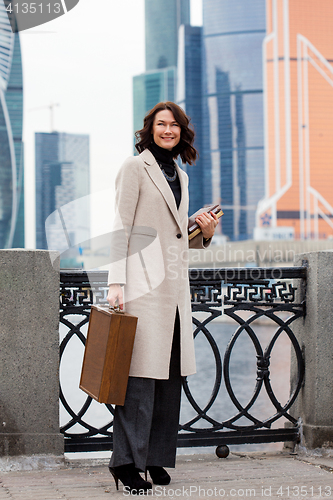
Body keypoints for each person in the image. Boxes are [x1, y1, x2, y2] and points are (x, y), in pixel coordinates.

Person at [106, 101, 219, 493]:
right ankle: (125, 464)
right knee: (137, 382)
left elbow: (177, 236)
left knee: (169, 379)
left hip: (174, 290)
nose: (168, 130)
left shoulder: (181, 177)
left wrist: (202, 229)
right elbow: (121, 228)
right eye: (161, 124)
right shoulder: (134, 167)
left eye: (174, 125)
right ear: (149, 129)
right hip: (139, 287)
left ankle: (155, 459)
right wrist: (116, 283)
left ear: (182, 132)